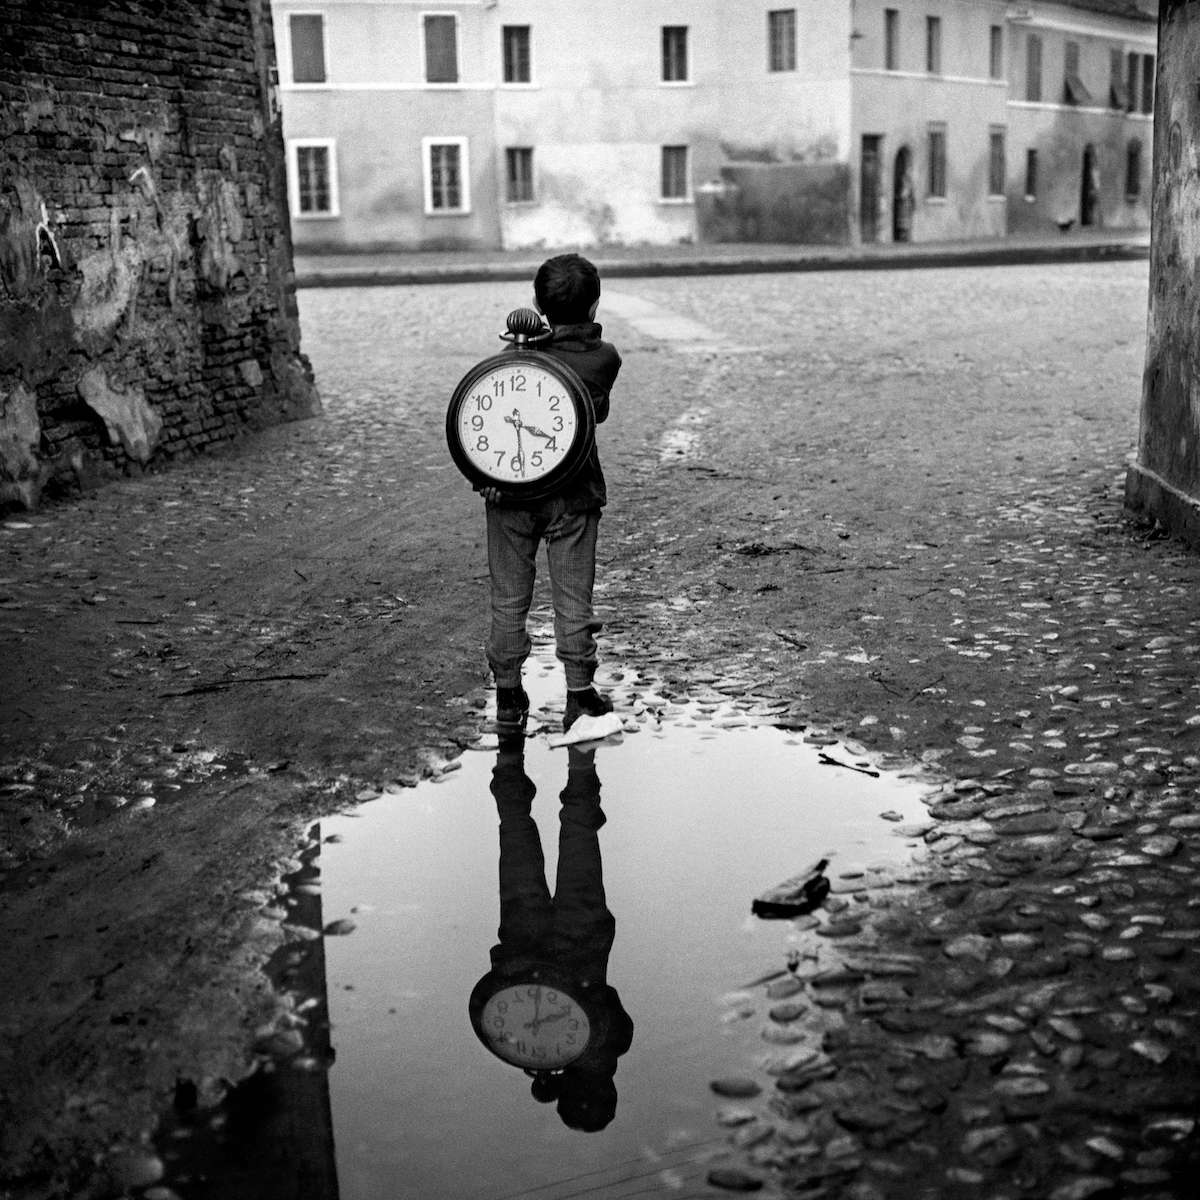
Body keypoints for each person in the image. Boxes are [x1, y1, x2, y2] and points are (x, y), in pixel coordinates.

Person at [477, 253, 622, 732]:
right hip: (574, 499)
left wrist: (525, 340)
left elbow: (486, 417)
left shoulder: (516, 360)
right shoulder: (604, 358)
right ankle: (579, 695)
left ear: (539, 304)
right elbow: (594, 412)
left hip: (510, 496)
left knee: (508, 600)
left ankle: (507, 696)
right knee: (574, 602)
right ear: (595, 305)